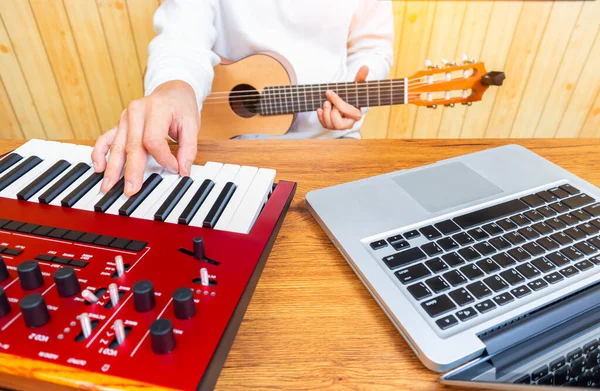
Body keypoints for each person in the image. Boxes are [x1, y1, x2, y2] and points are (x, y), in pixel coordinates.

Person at [92, 0, 393, 197]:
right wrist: (173, 87)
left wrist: (358, 94)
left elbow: (372, 48)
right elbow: (181, 36)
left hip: (328, 144)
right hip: (225, 146)